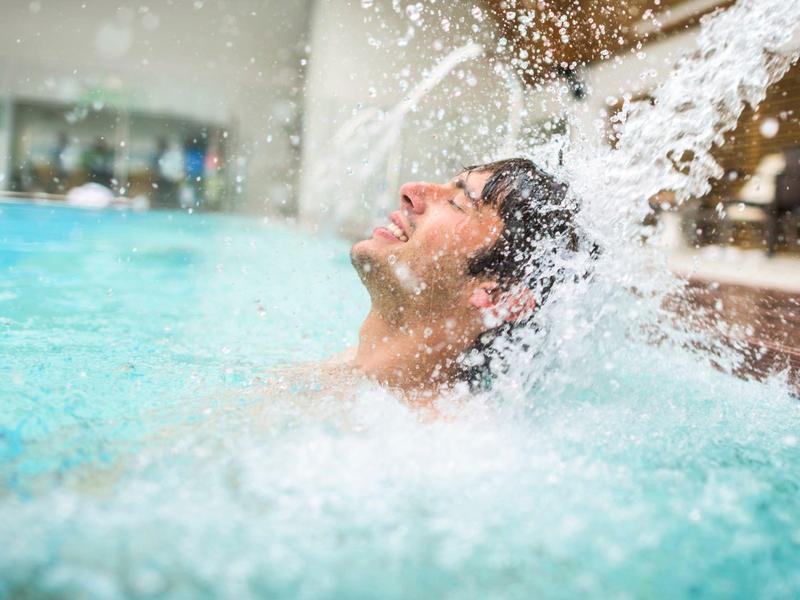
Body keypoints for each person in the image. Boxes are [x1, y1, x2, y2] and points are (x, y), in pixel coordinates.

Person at [342, 157, 588, 401]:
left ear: (499, 297)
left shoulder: (436, 437)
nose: (409, 191)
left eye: (457, 202)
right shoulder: (344, 377)